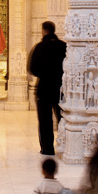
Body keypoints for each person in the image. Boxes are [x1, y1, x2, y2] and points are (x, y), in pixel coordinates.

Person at [28, 21, 66, 155]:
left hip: (44, 88)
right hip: (61, 88)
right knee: (63, 118)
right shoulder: (64, 47)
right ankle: (66, 146)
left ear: (44, 31)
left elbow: (32, 68)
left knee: (45, 120)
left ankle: (47, 149)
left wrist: (45, 74)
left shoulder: (40, 47)